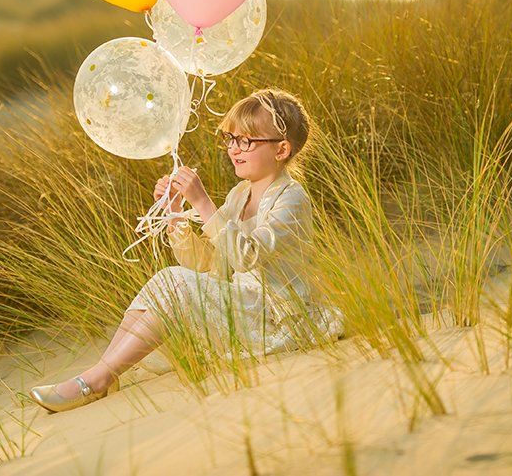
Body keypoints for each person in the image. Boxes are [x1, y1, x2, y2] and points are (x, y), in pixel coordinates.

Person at [30, 88, 344, 413]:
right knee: (165, 281)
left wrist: (203, 203)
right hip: (244, 306)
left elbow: (246, 256)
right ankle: (103, 372)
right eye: (231, 139)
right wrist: (177, 214)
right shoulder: (240, 195)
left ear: (281, 150)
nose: (234, 149)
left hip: (274, 316)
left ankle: (97, 380)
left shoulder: (290, 198)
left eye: (247, 141)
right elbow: (210, 265)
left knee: (174, 282)